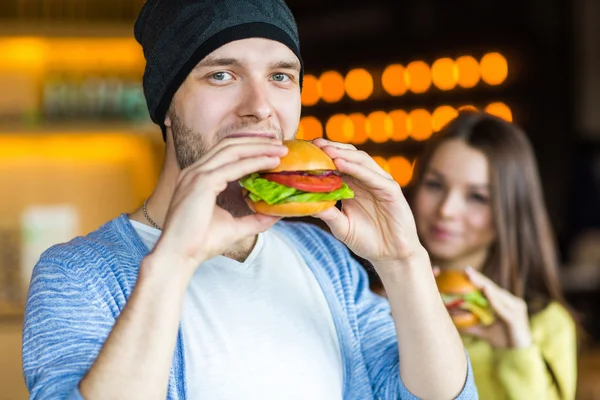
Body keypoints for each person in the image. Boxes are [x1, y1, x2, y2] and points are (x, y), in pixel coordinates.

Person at [21, 1, 478, 399]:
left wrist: (403, 261)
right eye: (221, 74)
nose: (259, 106)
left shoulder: (323, 257)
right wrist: (174, 261)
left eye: (281, 76)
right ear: (166, 106)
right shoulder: (79, 273)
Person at [409, 111, 578, 399]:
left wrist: (518, 351)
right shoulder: (373, 303)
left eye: (478, 197)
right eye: (435, 185)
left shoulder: (547, 324)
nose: (447, 210)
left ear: (510, 211)